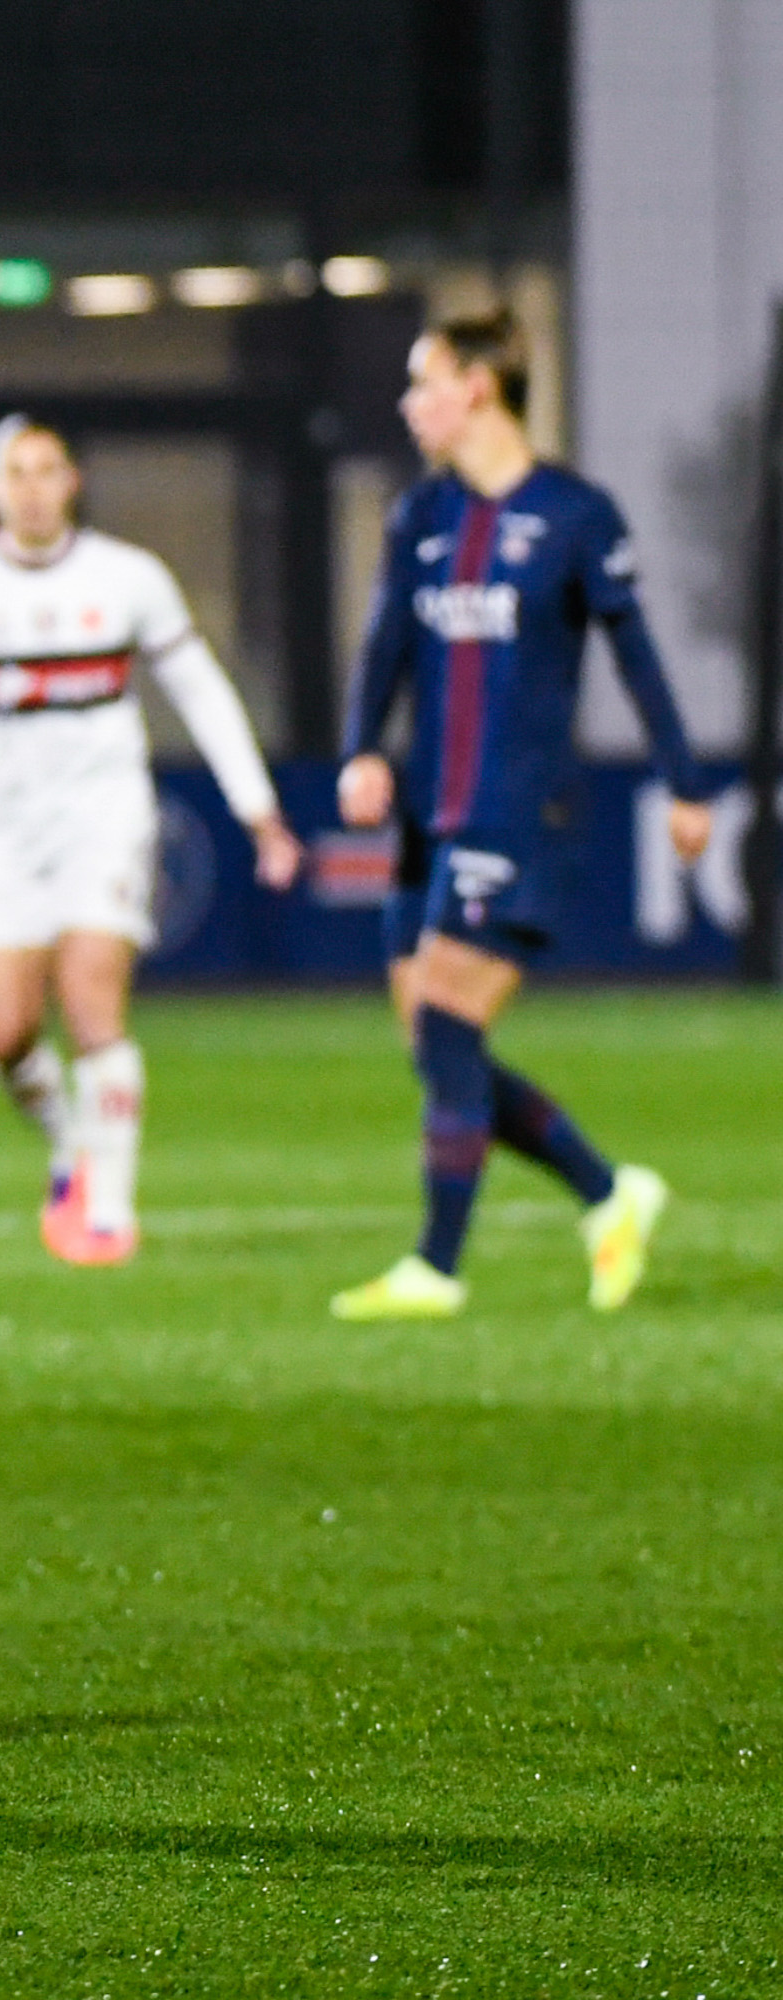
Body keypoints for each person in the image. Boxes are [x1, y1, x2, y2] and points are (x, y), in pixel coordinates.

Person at [0, 416, 301, 1265]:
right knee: (5, 1035)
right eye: (16, 473)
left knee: (92, 1002)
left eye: (47, 470)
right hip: (3, 833)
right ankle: (70, 1141)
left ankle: (109, 1214)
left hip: (105, 817)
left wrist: (257, 807)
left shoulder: (129, 579)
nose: (32, 488)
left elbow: (199, 689)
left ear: (72, 482)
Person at [330, 309, 711, 1320]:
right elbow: (385, 643)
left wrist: (683, 781)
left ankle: (436, 1266)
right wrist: (362, 748)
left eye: (424, 382)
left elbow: (636, 654)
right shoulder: (421, 515)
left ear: (478, 388)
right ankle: (608, 1192)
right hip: (428, 815)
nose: (410, 403)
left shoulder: (576, 515)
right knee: (434, 1044)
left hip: (518, 813)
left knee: (448, 1026)